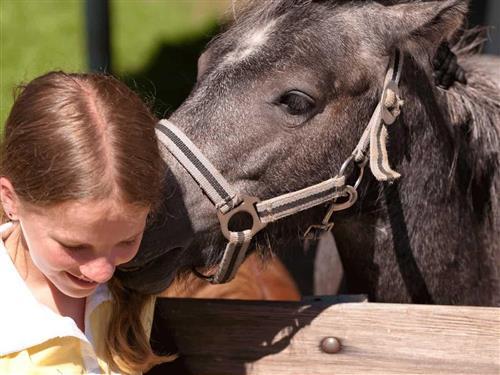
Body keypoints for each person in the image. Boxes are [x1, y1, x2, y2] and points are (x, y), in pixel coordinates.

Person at [0, 72, 174, 374]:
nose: (103, 272)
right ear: (10, 200)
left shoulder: (138, 284)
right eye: (75, 246)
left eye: (126, 241)